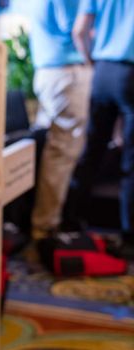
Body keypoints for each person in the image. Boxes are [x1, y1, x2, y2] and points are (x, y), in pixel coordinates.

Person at [71, 0, 134, 259]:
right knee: (132, 162)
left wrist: (91, 63)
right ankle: (129, 236)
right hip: (131, 73)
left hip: (102, 71)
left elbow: (79, 31)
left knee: (91, 151)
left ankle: (71, 220)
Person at [27, 1, 92, 243]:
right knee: (62, 154)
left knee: (55, 152)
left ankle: (46, 225)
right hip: (67, 73)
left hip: (49, 72)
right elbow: (78, 30)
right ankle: (46, 229)